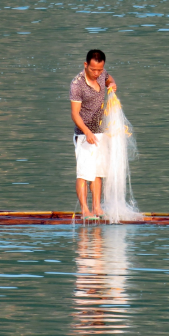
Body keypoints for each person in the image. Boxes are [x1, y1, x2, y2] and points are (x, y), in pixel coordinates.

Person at [70, 49, 117, 219]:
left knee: (98, 173)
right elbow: (75, 114)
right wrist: (87, 132)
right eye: (93, 70)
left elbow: (109, 79)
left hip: (101, 132)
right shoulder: (77, 84)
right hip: (84, 135)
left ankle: (97, 208)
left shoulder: (102, 73)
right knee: (84, 174)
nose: (97, 73)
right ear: (85, 65)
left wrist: (111, 84)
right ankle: (85, 210)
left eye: (99, 70)